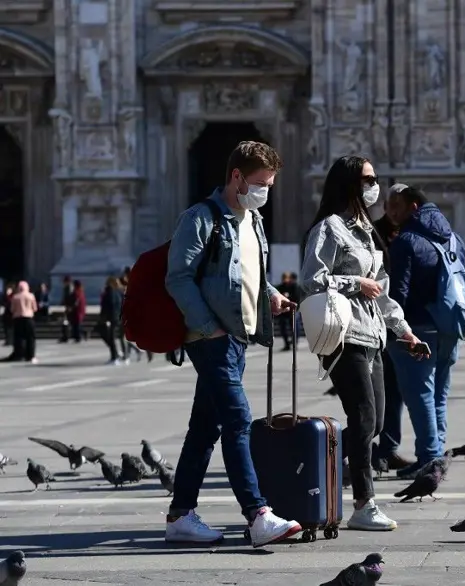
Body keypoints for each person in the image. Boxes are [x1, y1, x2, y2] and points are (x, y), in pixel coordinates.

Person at [165, 140, 299, 547]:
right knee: (238, 420)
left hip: (237, 337)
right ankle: (258, 515)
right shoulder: (200, 218)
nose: (265, 192)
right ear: (236, 176)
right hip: (211, 338)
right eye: (260, 183)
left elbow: (247, 272)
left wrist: (271, 294)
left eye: (270, 185)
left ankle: (180, 516)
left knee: (204, 428)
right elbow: (178, 277)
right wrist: (208, 326)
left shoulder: (252, 220)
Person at [301, 155, 420, 530]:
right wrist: (354, 284)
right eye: (368, 178)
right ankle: (363, 504)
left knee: (377, 421)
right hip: (343, 334)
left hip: (373, 335)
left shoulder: (365, 232)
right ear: (350, 183)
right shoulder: (329, 228)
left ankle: (320, 453)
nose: (374, 185)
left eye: (375, 178)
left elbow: (381, 291)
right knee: (364, 415)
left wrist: (404, 331)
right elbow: (311, 281)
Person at [386, 185, 465, 478]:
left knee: (419, 394)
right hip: (448, 327)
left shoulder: (406, 242)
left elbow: (399, 292)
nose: (389, 211)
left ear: (414, 207)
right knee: (438, 394)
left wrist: (397, 331)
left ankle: (429, 458)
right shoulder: (454, 240)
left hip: (417, 329)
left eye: (396, 205)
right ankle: (436, 455)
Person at [369, 183, 415, 472]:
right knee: (378, 392)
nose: (394, 211)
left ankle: (387, 447)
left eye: (400, 206)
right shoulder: (375, 234)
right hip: (378, 320)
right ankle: (371, 448)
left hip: (399, 320)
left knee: (394, 390)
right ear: (385, 207)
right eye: (391, 206)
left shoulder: (411, 233)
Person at [1, 281, 38, 363]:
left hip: (18, 319)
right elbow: (35, 308)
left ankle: (19, 354)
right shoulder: (31, 296)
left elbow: (12, 309)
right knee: (30, 338)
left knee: (19, 338)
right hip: (29, 318)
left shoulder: (15, 297)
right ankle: (31, 356)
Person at [97, 276, 124, 365]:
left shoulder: (110, 292)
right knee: (110, 337)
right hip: (116, 318)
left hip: (111, 318)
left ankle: (115, 357)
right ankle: (115, 355)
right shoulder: (118, 292)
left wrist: (105, 318)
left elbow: (109, 306)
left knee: (111, 337)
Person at [275, 272, 301, 351]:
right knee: (283, 328)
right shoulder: (280, 287)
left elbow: (297, 298)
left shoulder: (294, 286)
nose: (285, 280)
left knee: (294, 327)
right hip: (284, 311)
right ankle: (286, 344)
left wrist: (288, 296)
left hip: (293, 310)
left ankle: (294, 343)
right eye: (284, 278)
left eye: (286, 278)